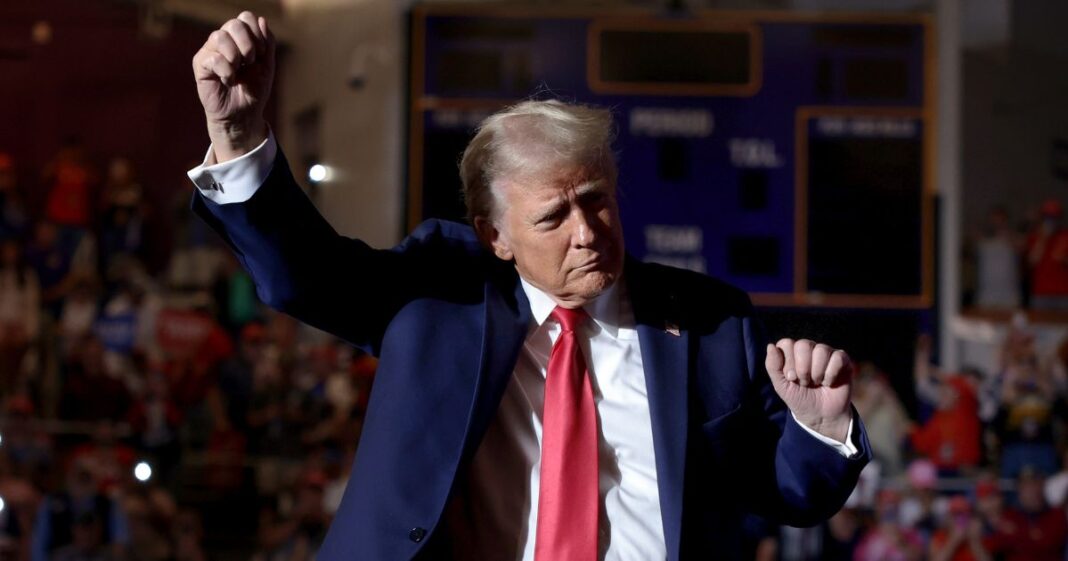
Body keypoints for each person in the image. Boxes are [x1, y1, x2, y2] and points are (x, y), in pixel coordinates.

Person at [186, 12, 871, 560]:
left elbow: (789, 491)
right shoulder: (439, 291)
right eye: (553, 215)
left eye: (597, 199)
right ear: (495, 236)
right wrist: (240, 135)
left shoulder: (713, 322)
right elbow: (307, 276)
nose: (587, 231)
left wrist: (818, 426)